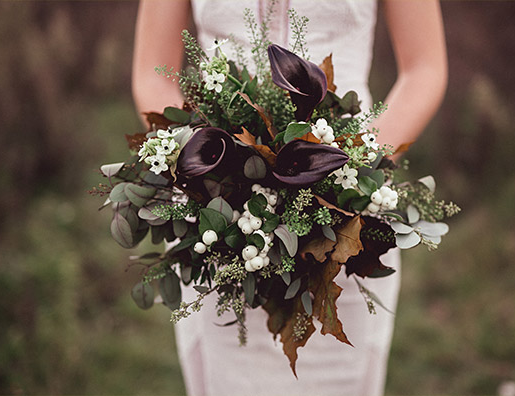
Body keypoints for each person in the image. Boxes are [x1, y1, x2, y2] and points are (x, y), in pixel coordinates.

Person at [132, 1, 446, 394]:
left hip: (343, 220)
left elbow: (425, 67)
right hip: (220, 226)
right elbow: (152, 70)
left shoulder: (346, 188)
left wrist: (350, 172)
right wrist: (205, 166)